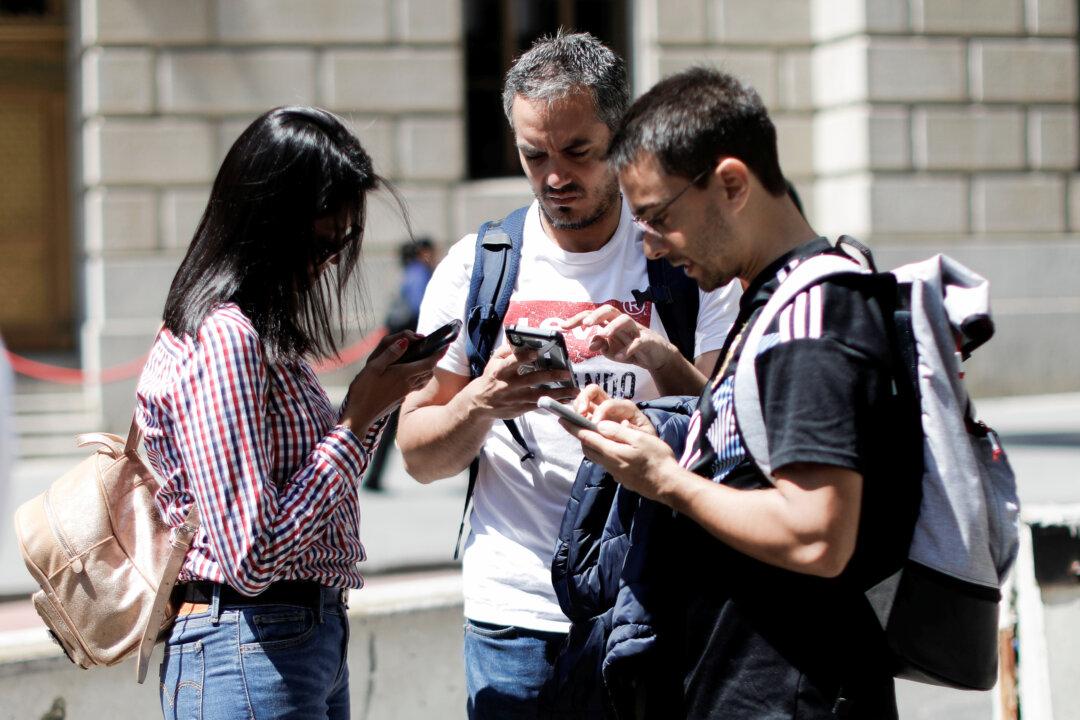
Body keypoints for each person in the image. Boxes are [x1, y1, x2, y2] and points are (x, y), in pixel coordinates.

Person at [395, 33, 739, 719]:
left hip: (647, 602)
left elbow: (734, 437)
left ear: (621, 136)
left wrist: (659, 365)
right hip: (512, 615)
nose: (554, 175)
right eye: (534, 155)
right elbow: (417, 454)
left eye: (578, 151)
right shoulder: (477, 266)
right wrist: (482, 402)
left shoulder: (681, 262)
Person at [559, 67, 921, 719]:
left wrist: (665, 480)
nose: (652, 248)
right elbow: (753, 462)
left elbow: (816, 535)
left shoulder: (811, 320)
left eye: (657, 219)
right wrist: (660, 430)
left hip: (790, 692)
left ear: (729, 184)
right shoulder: (773, 303)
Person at [136, 106, 443, 720]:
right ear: (268, 218)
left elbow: (297, 501)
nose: (327, 263)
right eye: (322, 243)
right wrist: (355, 425)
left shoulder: (256, 331)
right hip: (249, 640)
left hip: (289, 638)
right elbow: (252, 556)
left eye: (339, 246)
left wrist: (372, 402)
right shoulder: (229, 337)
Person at [363, 237, 438, 490]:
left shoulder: (407, 272)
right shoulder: (420, 273)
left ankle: (374, 475)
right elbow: (420, 308)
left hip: (399, 353)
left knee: (390, 413)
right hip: (412, 354)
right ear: (423, 252)